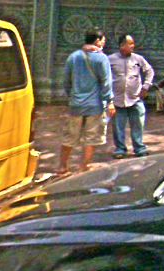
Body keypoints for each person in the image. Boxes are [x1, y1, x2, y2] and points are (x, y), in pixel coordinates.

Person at [60, 28, 115, 175]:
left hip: (76, 104)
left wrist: (72, 96)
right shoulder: (102, 59)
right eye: (103, 41)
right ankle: (84, 167)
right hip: (94, 105)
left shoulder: (73, 57)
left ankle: (62, 167)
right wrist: (109, 101)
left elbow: (66, 81)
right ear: (97, 41)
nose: (104, 44)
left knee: (69, 136)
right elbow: (106, 82)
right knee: (91, 137)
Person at [108, 34, 154, 158]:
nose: (133, 46)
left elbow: (149, 71)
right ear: (122, 45)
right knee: (118, 126)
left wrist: (146, 86)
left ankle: (139, 148)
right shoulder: (110, 59)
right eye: (130, 44)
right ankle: (120, 149)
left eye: (133, 43)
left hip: (135, 99)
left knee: (138, 124)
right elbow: (104, 75)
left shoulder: (138, 59)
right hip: (117, 99)